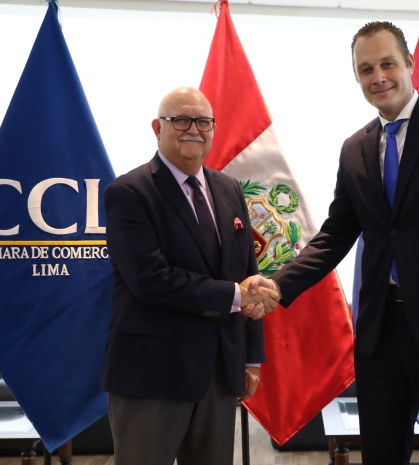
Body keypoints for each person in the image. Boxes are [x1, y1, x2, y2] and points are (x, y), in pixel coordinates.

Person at [252, 22, 419, 465]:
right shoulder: (354, 149)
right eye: (366, 69)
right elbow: (336, 234)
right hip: (380, 334)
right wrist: (279, 284)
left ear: (409, 64)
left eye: (387, 64)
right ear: (356, 77)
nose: (378, 77)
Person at [101, 87, 279, 465]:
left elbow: (248, 273)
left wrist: (250, 359)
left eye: (203, 121)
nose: (193, 129)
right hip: (152, 375)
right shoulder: (128, 192)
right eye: (180, 120)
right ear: (157, 128)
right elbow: (151, 280)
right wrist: (236, 295)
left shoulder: (229, 188)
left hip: (218, 373)